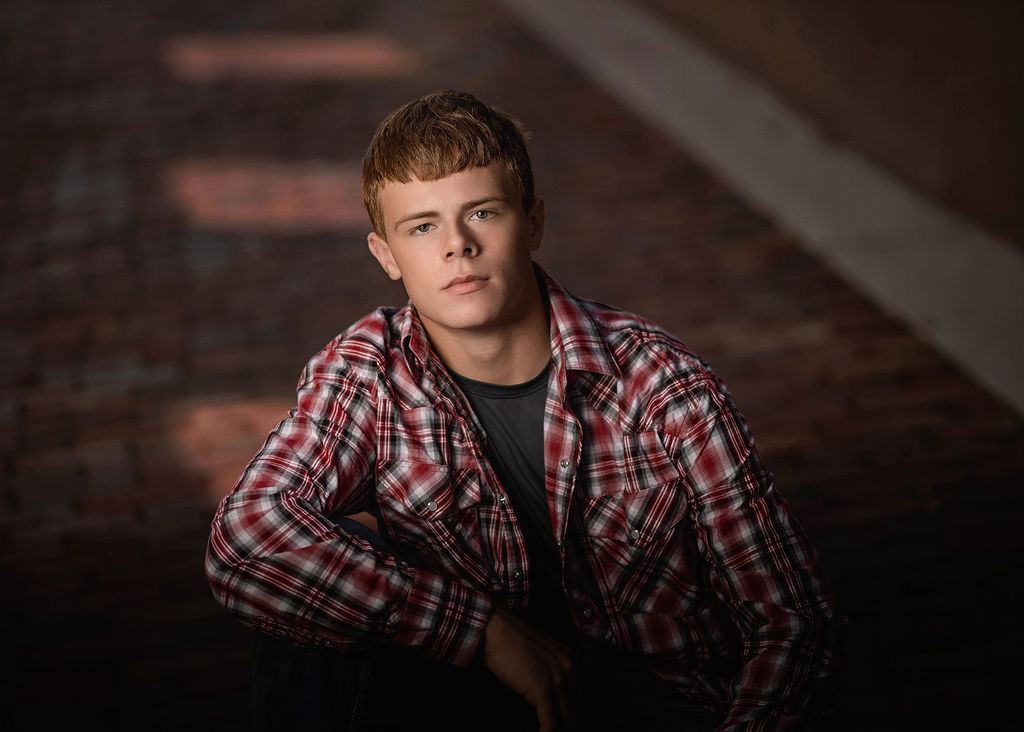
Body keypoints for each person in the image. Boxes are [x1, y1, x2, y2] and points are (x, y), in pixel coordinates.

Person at [205, 90, 842, 731]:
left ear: (532, 222)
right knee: (311, 602)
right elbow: (248, 539)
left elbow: (791, 620)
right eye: (422, 226)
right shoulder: (371, 375)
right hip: (481, 694)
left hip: (656, 703)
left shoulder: (660, 383)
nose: (457, 245)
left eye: (481, 212)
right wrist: (483, 631)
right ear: (387, 255)